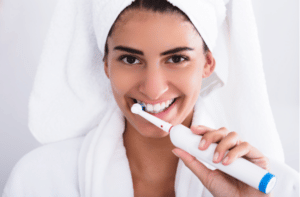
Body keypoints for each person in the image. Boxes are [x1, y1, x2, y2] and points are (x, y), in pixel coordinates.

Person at [3, 0, 297, 196]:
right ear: (106, 65)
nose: (153, 89)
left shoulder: (271, 185)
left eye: (177, 58)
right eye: (130, 59)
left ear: (208, 63)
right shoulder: (39, 179)